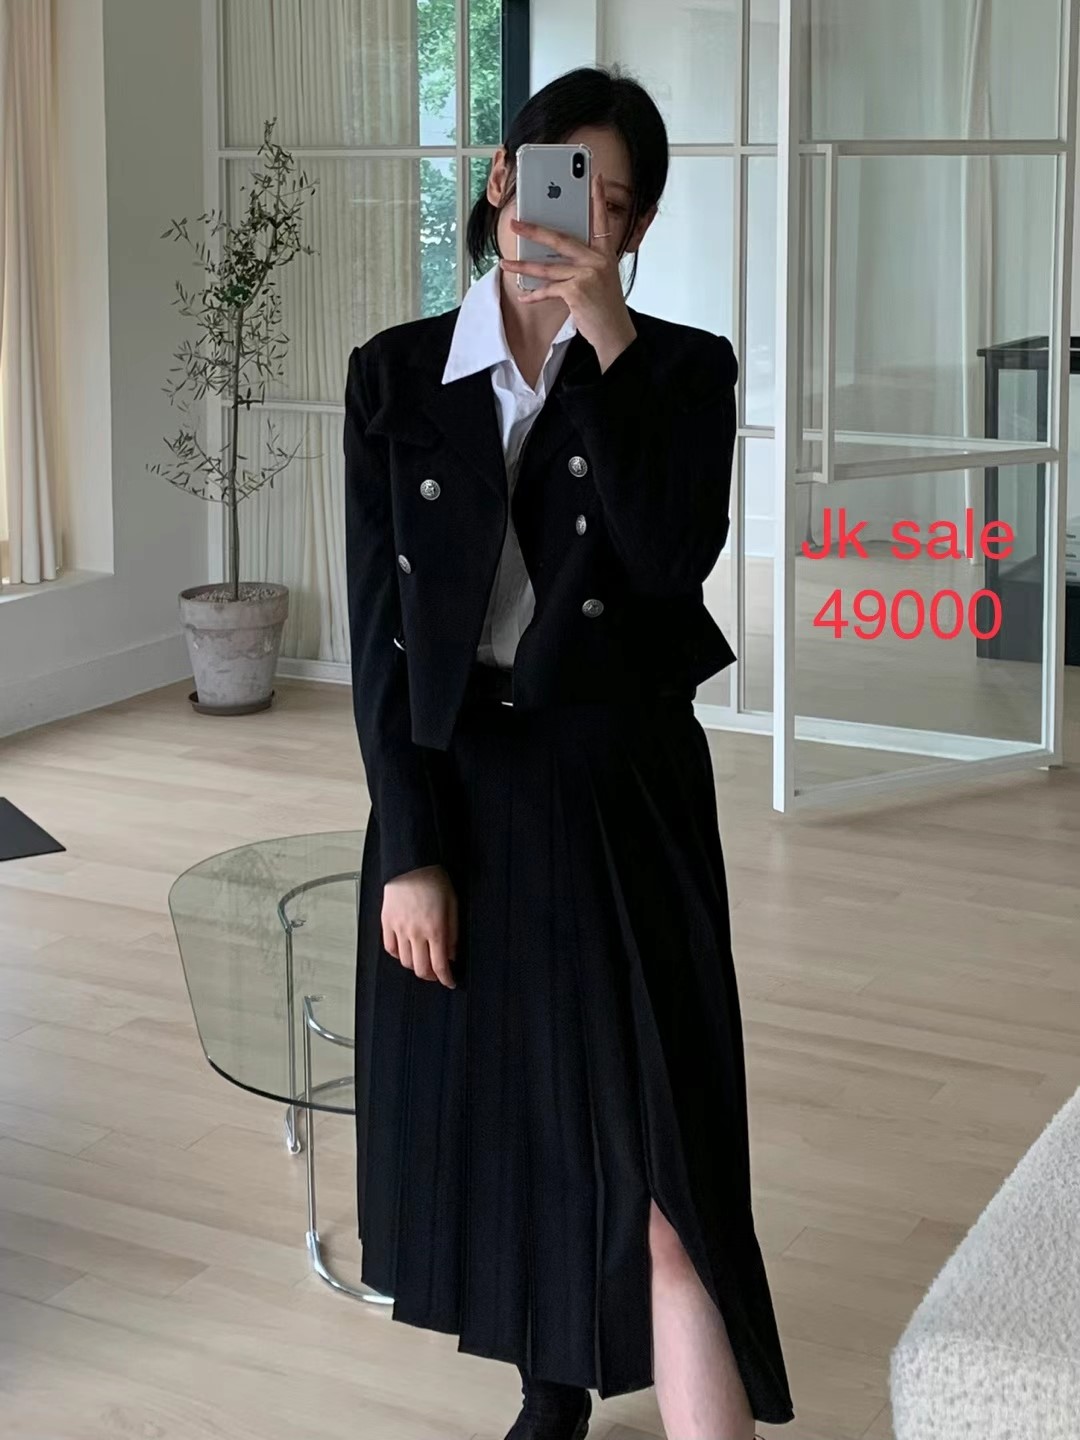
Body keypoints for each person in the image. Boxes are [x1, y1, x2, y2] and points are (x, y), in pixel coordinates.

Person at [345, 63, 795, 1440]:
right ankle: (553, 1386)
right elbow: (383, 645)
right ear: (502, 183)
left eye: (610, 202)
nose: (577, 217)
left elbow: (668, 561)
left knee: (662, 1153)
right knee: (515, 1118)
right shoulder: (395, 376)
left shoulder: (683, 372)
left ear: (637, 230)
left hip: (620, 789)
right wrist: (411, 849)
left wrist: (606, 351)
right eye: (558, 181)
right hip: (466, 788)